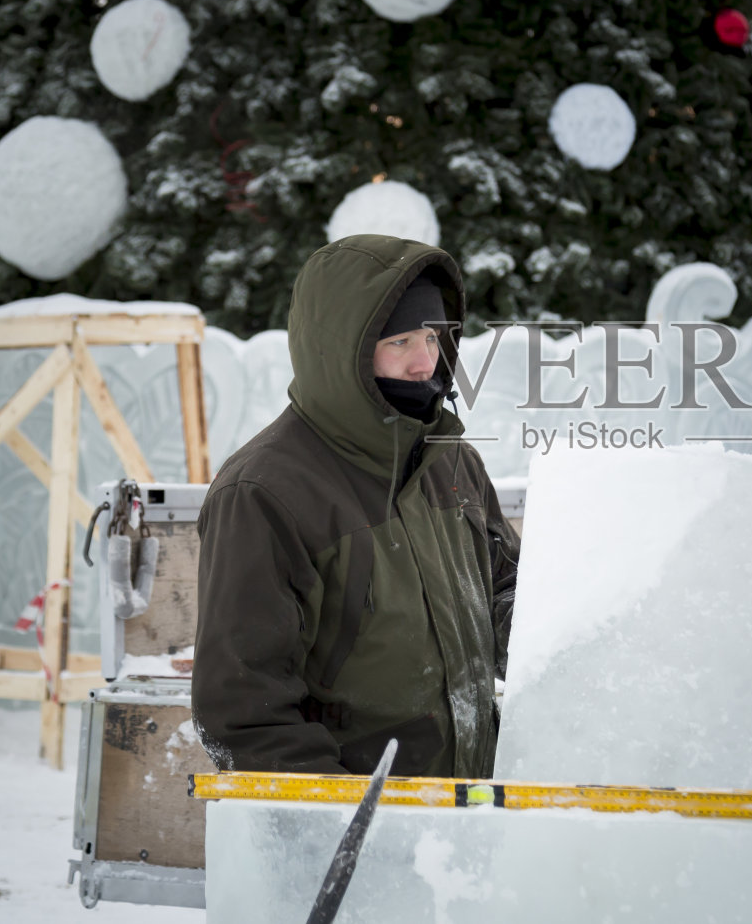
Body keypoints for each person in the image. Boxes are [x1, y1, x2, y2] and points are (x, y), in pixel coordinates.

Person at [192, 235, 518, 778]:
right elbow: (245, 714)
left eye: (434, 337)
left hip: (470, 810)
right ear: (339, 350)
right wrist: (342, 825)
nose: (425, 363)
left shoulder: (450, 460)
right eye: (400, 341)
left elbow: (504, 590)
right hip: (357, 828)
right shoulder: (264, 493)